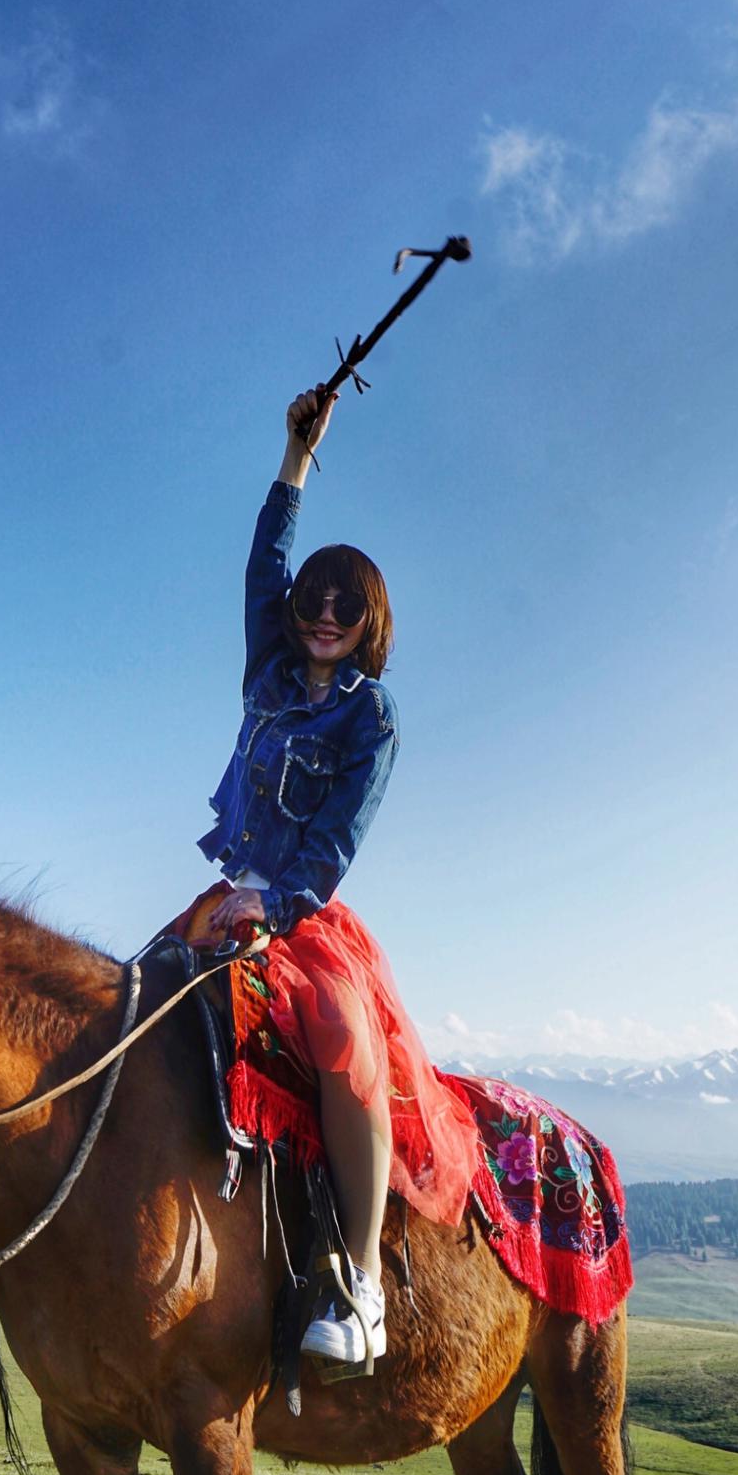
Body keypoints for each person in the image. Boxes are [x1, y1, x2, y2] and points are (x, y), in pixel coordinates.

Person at [195, 386, 479, 1370]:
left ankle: (360, 1284)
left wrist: (273, 902)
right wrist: (296, 455)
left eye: (343, 605)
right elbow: (262, 564)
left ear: (369, 621)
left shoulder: (372, 715)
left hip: (300, 908)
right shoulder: (266, 676)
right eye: (313, 599)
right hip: (227, 895)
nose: (321, 613)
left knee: (341, 1039)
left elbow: (335, 841)